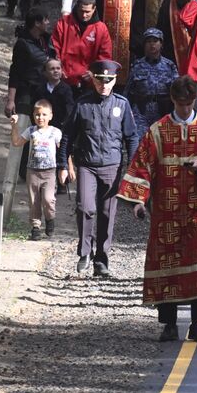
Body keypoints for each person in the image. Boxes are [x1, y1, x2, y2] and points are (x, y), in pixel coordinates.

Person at [119, 76, 197, 343]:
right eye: (180, 104)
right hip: (166, 209)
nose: (184, 108)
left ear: (194, 101)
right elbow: (141, 165)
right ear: (173, 100)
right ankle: (168, 324)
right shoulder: (157, 131)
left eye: (189, 103)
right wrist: (138, 201)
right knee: (166, 262)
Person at [59, 59, 138, 277]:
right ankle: (85, 251)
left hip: (112, 166)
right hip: (86, 164)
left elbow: (131, 137)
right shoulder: (82, 104)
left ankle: (101, 260)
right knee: (85, 207)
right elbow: (67, 135)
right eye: (100, 80)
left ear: (114, 81)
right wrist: (62, 164)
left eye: (108, 80)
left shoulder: (122, 105)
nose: (104, 84)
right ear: (92, 79)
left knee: (106, 213)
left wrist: (133, 166)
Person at [9, 100, 62, 240]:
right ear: (33, 116)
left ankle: (50, 219)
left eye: (44, 114)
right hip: (32, 171)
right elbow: (16, 142)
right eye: (37, 115)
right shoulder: (31, 131)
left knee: (48, 199)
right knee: (34, 201)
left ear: (50, 116)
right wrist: (14, 126)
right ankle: (36, 227)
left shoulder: (55, 132)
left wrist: (68, 168)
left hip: (49, 172)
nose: (40, 118)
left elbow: (63, 151)